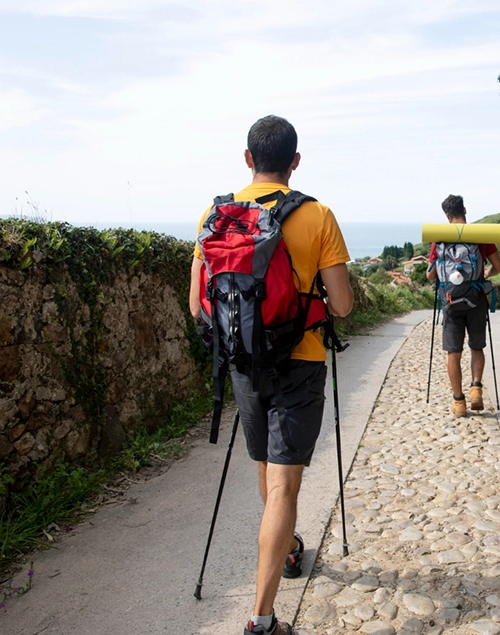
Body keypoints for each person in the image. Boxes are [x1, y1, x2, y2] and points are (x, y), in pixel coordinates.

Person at [188, 115, 353, 635]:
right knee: (285, 485)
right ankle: (261, 620)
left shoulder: (214, 216)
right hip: (300, 362)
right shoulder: (317, 215)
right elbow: (344, 305)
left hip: (242, 365)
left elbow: (197, 306)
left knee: (265, 467)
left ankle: (285, 550)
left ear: (247, 159)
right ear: (295, 162)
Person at [426, 194, 500, 417]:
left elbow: (431, 276)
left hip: (450, 302)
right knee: (476, 347)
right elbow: (498, 266)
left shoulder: (439, 238)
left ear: (447, 215)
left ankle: (459, 402)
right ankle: (476, 388)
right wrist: (485, 273)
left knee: (453, 353)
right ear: (465, 210)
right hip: (476, 299)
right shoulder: (481, 235)